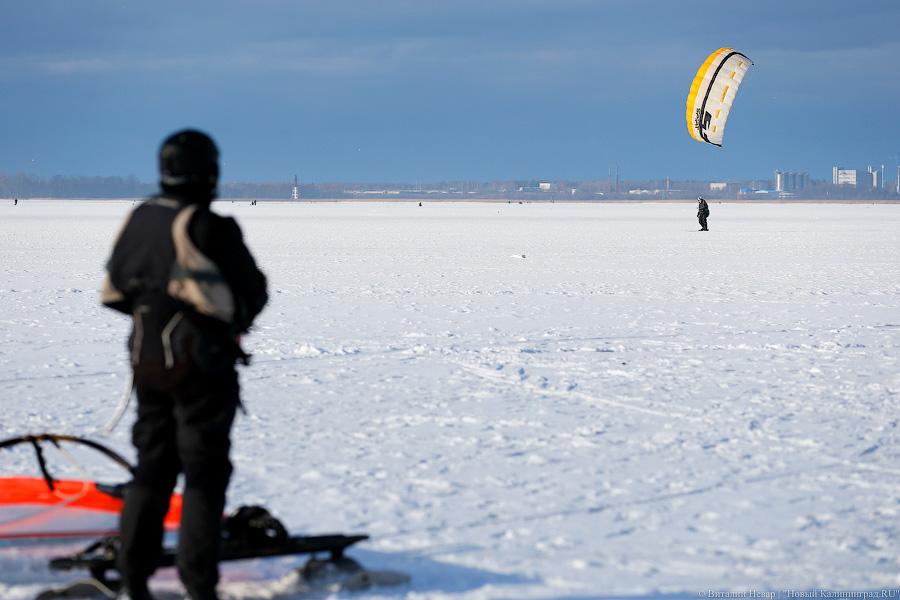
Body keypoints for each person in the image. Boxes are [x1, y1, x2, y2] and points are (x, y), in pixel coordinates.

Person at [101, 129, 268, 600]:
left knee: (151, 468)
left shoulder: (140, 218)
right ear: (210, 171)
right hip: (201, 367)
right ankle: (199, 585)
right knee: (203, 472)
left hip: (146, 359)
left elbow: (116, 290)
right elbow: (253, 294)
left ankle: (133, 580)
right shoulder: (210, 226)